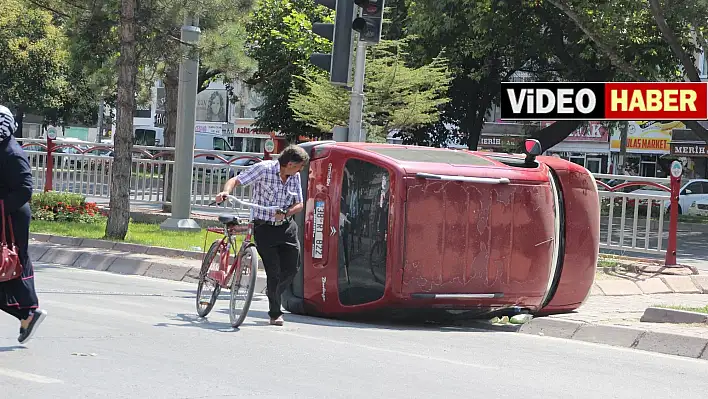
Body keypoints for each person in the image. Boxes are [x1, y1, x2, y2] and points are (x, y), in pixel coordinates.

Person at [216, 145, 309, 326]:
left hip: (287, 228)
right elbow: (236, 180)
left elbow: (299, 203)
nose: (301, 170)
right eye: (300, 166)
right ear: (290, 163)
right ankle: (275, 312)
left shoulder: (294, 177)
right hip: (265, 228)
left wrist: (286, 213)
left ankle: (272, 292)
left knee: (292, 268)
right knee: (273, 272)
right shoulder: (264, 169)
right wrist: (225, 191)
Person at [0, 105, 47, 343]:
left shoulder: (12, 153)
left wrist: (1, 209)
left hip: (11, 219)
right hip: (4, 217)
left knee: (11, 264)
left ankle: (28, 311)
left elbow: (24, 189)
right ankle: (27, 314)